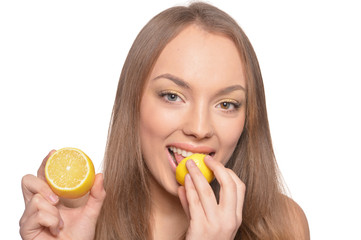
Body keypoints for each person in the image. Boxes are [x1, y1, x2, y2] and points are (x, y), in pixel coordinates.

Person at [19, 2, 310, 239]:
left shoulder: (281, 226)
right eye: (172, 96)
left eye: (226, 104)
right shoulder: (77, 222)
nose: (199, 128)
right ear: (133, 102)